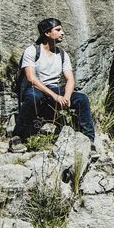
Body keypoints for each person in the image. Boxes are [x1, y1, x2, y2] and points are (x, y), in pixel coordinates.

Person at [9, 18, 97, 156]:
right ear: (47, 33)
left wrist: (67, 96)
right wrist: (55, 96)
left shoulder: (62, 54)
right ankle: (17, 137)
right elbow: (31, 78)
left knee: (82, 99)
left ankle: (89, 142)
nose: (62, 33)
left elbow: (70, 79)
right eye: (58, 30)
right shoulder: (32, 51)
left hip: (55, 89)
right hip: (37, 89)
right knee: (33, 97)